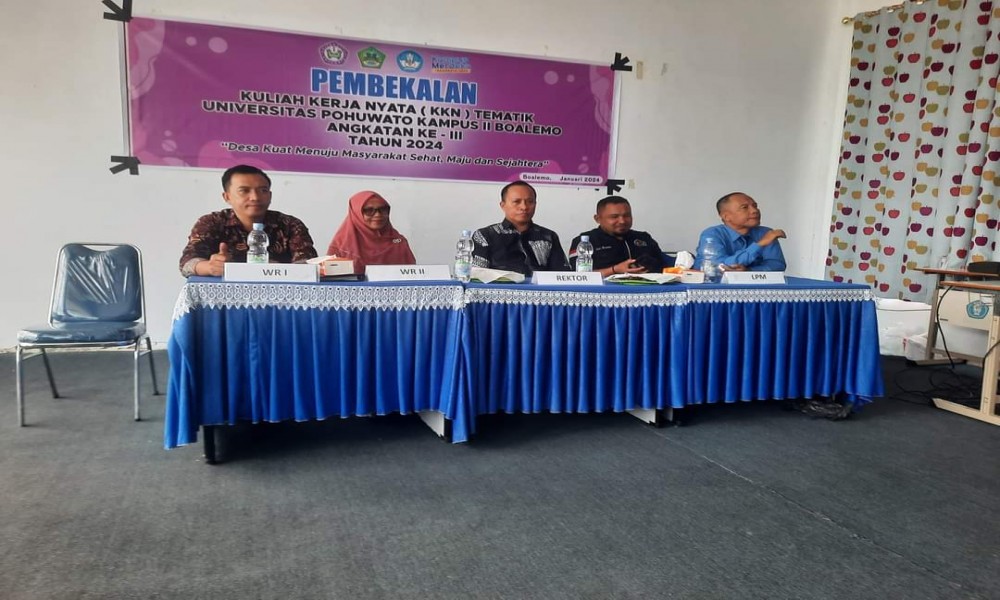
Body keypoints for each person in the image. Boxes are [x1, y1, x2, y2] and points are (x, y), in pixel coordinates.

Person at [179, 165, 318, 277]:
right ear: (227, 197)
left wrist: (275, 271)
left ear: (270, 195)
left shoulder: (290, 224)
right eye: (244, 191)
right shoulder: (212, 222)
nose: (255, 197)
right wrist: (210, 267)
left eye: (263, 190)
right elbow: (187, 263)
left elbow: (308, 264)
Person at [471, 180, 570, 275]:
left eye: (530, 201)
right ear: (503, 205)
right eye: (516, 202)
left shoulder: (548, 236)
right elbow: (478, 275)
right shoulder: (485, 235)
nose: (524, 207)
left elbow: (561, 275)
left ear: (535, 204)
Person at [568, 195, 666, 276]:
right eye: (614, 217)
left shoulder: (644, 238)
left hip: (647, 290)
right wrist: (614, 270)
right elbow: (578, 275)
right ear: (597, 219)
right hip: (604, 291)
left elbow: (665, 267)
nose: (622, 221)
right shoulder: (585, 241)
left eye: (627, 215)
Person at [326, 191, 416, 274]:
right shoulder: (341, 246)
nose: (378, 215)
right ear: (356, 214)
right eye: (369, 210)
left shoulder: (399, 243)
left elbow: (412, 277)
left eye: (383, 209)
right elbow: (332, 280)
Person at [696, 192, 786, 272]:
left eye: (755, 206)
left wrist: (749, 271)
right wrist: (760, 244)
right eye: (744, 207)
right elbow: (719, 267)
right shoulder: (712, 235)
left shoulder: (765, 233)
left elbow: (777, 265)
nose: (755, 211)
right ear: (726, 216)